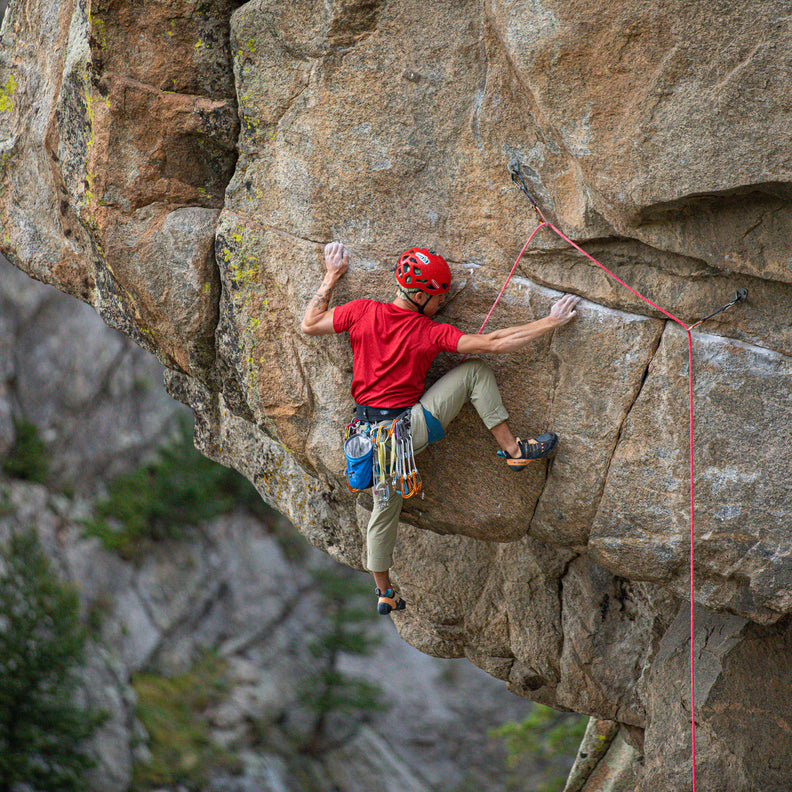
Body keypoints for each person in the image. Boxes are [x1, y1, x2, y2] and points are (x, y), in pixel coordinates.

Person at [301, 242, 580, 614]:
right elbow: (494, 344)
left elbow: (309, 324)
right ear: (417, 294)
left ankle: (383, 591)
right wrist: (551, 321)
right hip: (407, 431)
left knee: (384, 510)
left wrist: (332, 274)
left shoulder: (361, 311)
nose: (439, 305)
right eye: (436, 298)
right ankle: (515, 451)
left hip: (365, 438)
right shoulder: (428, 331)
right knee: (475, 372)